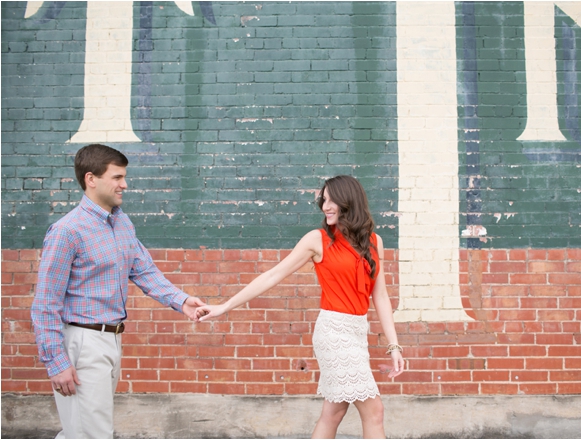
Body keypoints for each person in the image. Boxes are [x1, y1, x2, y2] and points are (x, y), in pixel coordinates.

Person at [195, 175, 405, 439]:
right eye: (323, 200)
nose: (325, 206)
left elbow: (381, 296)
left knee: (334, 413)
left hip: (356, 333)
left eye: (331, 200)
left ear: (349, 202)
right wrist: (225, 306)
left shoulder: (374, 241)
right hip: (334, 333)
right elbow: (273, 275)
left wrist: (394, 345)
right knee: (375, 411)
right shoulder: (317, 239)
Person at [30, 144, 206, 439]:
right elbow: (46, 303)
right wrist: (56, 362)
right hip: (82, 342)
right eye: (117, 177)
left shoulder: (121, 221)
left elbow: (143, 270)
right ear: (91, 178)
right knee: (92, 433)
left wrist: (183, 301)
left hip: (111, 339)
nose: (124, 184)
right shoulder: (67, 231)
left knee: (81, 431)